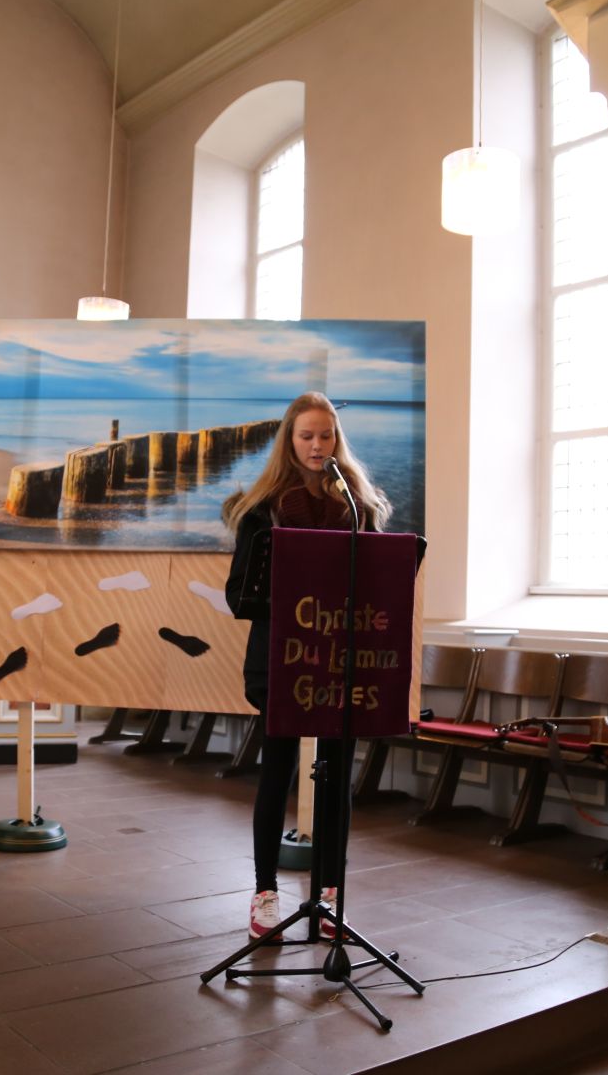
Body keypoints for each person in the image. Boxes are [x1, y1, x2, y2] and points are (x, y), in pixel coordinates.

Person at [223, 391, 392, 940]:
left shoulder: (360, 507)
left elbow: (381, 587)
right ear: (289, 442)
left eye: (326, 435)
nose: (317, 445)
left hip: (343, 663)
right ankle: (265, 894)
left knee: (337, 781)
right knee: (276, 773)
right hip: (281, 661)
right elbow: (238, 595)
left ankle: (330, 895)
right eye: (306, 436)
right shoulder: (261, 510)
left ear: (337, 439)